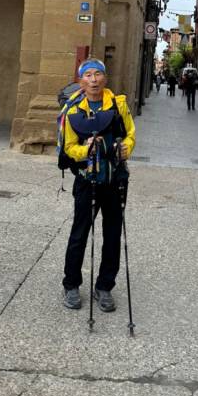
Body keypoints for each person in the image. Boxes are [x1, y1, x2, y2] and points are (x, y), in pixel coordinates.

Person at [61, 58, 135, 313]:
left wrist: (126, 148)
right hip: (86, 181)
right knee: (79, 233)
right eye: (88, 75)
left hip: (115, 181)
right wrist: (86, 151)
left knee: (113, 235)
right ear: (80, 81)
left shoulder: (118, 104)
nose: (93, 79)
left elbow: (130, 134)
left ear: (105, 77)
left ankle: (104, 287)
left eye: (98, 74)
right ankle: (71, 284)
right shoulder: (73, 111)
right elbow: (69, 147)